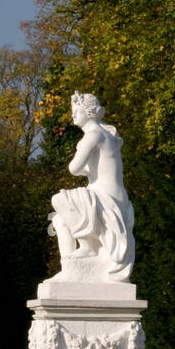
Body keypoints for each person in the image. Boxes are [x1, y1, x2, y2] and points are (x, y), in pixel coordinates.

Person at [48, 92, 135, 280]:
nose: (73, 115)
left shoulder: (94, 135)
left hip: (107, 197)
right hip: (109, 195)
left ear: (88, 112)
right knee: (59, 221)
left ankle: (87, 247)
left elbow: (74, 168)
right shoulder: (105, 134)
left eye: (76, 111)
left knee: (59, 199)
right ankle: (69, 271)